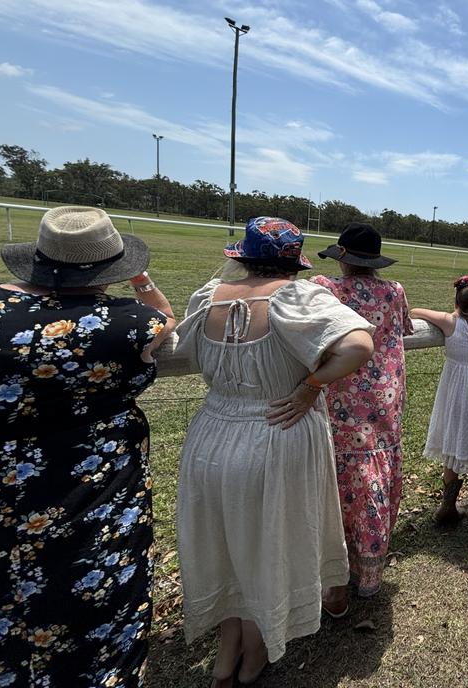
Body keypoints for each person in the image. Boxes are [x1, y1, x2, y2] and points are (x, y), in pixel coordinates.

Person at [174, 217, 374, 685]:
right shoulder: (295, 297)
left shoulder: (209, 297)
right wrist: (310, 386)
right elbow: (360, 345)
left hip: (211, 435)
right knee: (268, 544)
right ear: (294, 261)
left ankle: (227, 655)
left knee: (225, 545)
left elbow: (186, 352)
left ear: (242, 256)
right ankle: (253, 654)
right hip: (275, 433)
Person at [0, 206, 175, 685]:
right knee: (94, 619)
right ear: (110, 265)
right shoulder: (127, 323)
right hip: (90, 493)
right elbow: (165, 319)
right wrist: (139, 278)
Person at [311, 222, 414, 598]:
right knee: (374, 475)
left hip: (343, 392)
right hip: (386, 396)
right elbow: (405, 329)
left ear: (343, 258)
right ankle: (369, 569)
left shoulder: (329, 288)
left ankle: (338, 571)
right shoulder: (394, 291)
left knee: (345, 479)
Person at [411, 276, 468, 527]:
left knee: (453, 445)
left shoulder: (450, 321)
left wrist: (451, 311)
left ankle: (447, 508)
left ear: (457, 302)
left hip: (456, 388)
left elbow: (415, 310)